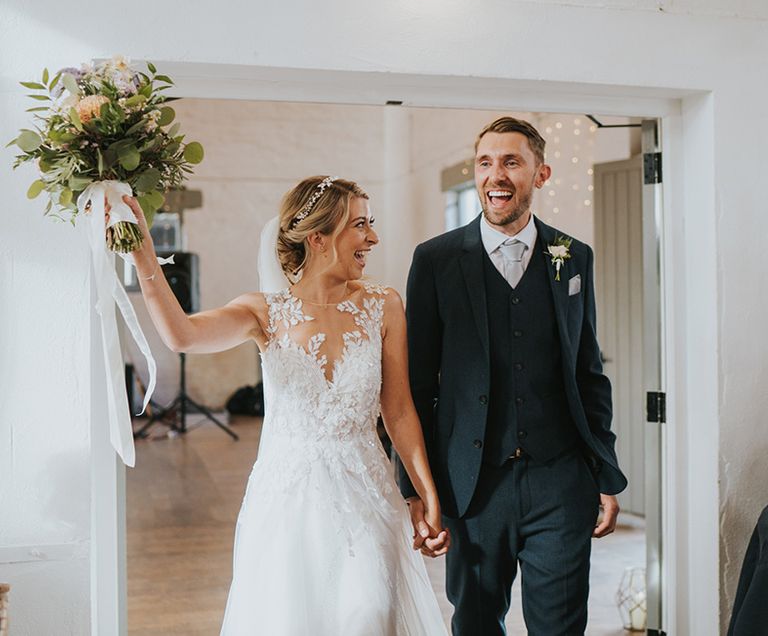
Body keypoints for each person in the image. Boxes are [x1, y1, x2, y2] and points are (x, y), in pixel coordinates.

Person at [114, 175, 450, 635]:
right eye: (359, 226)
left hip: (367, 495)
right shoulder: (263, 312)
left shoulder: (384, 305)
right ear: (318, 237)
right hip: (287, 503)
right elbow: (182, 335)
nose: (373, 237)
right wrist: (143, 255)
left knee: (370, 615)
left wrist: (427, 494)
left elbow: (398, 410)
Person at [398, 118, 628, 636]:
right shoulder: (435, 261)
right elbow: (414, 386)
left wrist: (604, 470)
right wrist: (417, 492)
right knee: (477, 624)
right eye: (485, 162)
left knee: (561, 627)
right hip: (473, 487)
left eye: (510, 161)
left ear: (539, 173)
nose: (494, 175)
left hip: (561, 482)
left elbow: (588, 372)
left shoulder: (573, 257)